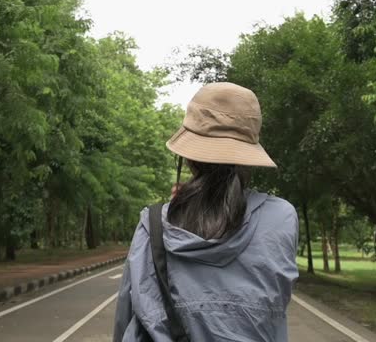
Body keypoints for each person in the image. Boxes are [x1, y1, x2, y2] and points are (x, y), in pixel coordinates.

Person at [113, 82, 299, 341]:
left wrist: (171, 215)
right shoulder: (282, 218)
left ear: (188, 157)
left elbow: (127, 315)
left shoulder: (153, 224)